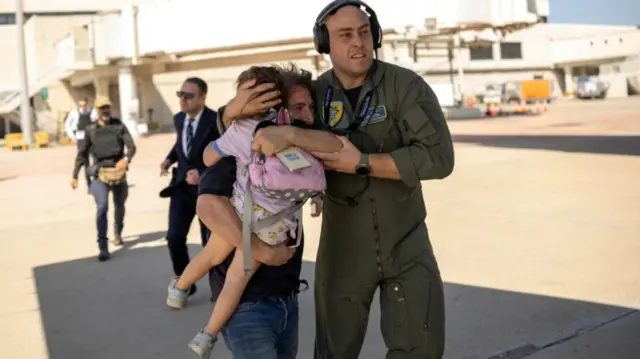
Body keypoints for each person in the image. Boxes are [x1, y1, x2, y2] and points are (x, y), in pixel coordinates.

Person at [212, 1, 455, 358]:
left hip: (407, 241)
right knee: (333, 351)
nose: (358, 42)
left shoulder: (405, 87)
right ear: (324, 43)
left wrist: (364, 162)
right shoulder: (310, 96)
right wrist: (229, 112)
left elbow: (439, 158)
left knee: (421, 346)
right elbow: (249, 128)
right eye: (345, 35)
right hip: (343, 248)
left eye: (364, 32)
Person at [167, 66, 325, 359]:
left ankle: (186, 298)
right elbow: (207, 206)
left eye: (310, 107)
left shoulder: (300, 140)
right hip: (250, 308)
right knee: (223, 265)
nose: (308, 116)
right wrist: (263, 251)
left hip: (286, 295)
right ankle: (188, 300)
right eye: (299, 107)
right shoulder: (240, 145)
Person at [160, 77, 220, 298]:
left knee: (211, 243)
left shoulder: (215, 121)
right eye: (180, 95)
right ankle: (185, 283)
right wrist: (169, 160)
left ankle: (218, 289)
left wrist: (203, 174)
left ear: (203, 97)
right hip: (181, 189)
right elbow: (181, 145)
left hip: (208, 191)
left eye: (189, 96)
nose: (183, 100)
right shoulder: (178, 119)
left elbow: (226, 156)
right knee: (174, 238)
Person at [70, 96, 137, 261]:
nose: (105, 111)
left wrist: (126, 159)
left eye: (107, 107)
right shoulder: (90, 129)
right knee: (102, 208)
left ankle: (117, 233)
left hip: (118, 171)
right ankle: (103, 247)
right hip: (100, 172)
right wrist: (75, 175)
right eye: (102, 108)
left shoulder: (118, 126)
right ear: (97, 110)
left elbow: (131, 146)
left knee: (120, 205)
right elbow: (82, 154)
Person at [64, 97, 98, 192]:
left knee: (96, 160)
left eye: (84, 105)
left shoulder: (93, 112)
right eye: (81, 105)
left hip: (91, 138)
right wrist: (72, 136)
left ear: (87, 104)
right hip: (80, 138)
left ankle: (96, 182)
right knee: (84, 161)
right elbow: (67, 125)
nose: (82, 107)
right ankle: (88, 185)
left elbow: (97, 123)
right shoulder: (74, 113)